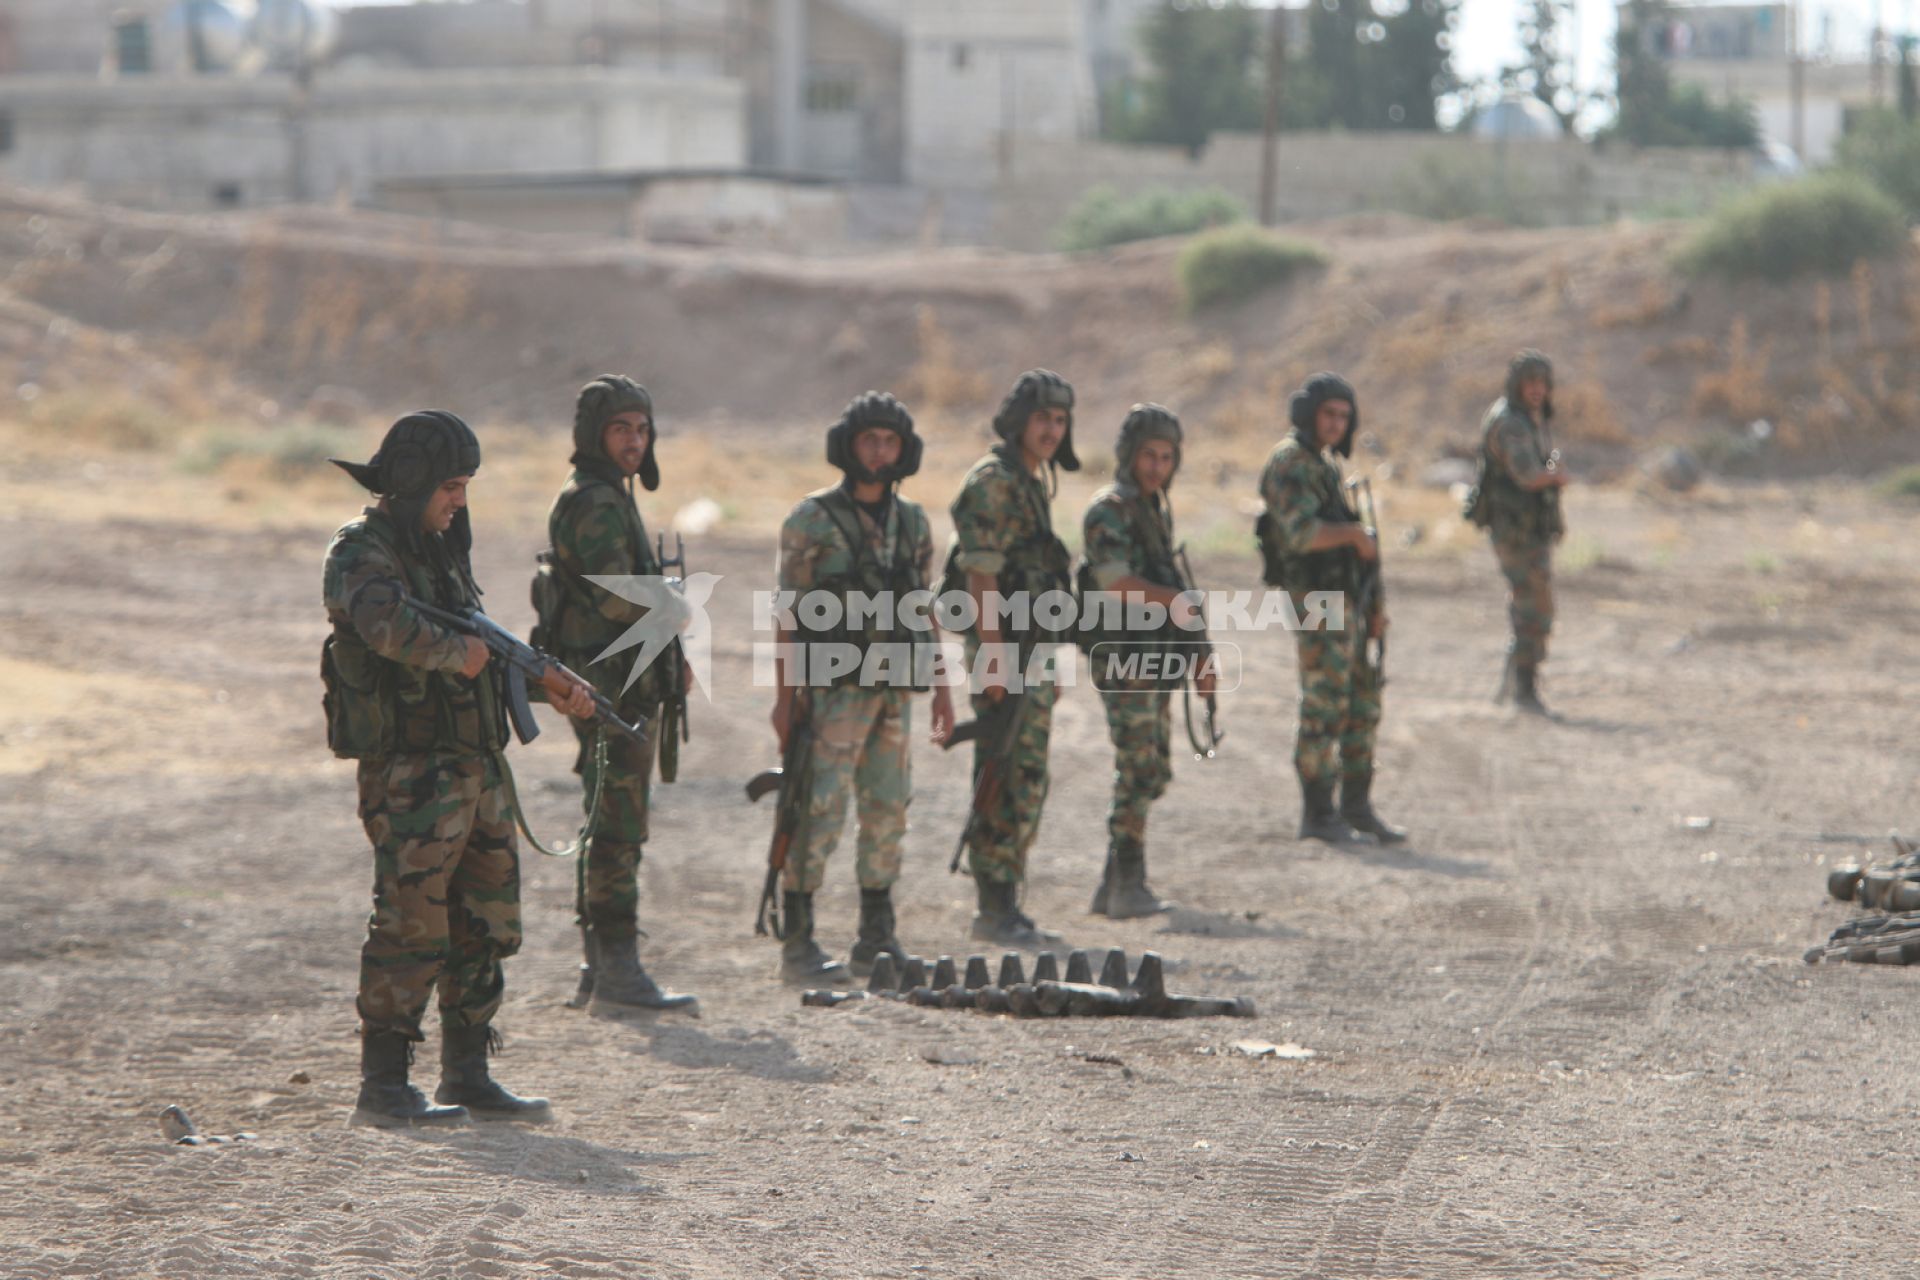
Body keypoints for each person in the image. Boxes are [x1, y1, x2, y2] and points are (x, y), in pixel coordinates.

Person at [323, 410, 596, 1126]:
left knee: (486, 918)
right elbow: (384, 627)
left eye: (465, 486)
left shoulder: (440, 550)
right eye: (450, 486)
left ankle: (466, 1073)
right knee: (411, 922)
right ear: (413, 483)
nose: (459, 501)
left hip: (475, 769)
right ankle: (383, 1086)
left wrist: (550, 684)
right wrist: (456, 653)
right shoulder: (363, 550)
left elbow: (482, 650)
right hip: (412, 774)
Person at [769, 391, 955, 983]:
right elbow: (788, 611)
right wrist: (784, 697)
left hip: (894, 689)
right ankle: (798, 941)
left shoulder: (913, 521)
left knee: (887, 808)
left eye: (890, 442)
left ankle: (876, 937)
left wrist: (945, 688)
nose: (879, 451)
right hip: (833, 690)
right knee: (819, 808)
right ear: (847, 447)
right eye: (869, 440)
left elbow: (925, 605)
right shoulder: (811, 519)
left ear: (905, 451)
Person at [536, 375, 697, 1013]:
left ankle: (598, 968)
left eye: (642, 429)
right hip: (608, 685)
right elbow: (618, 596)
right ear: (594, 436)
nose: (635, 442)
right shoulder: (595, 501)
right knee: (618, 824)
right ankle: (617, 973)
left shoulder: (609, 495)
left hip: (619, 677)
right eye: (621, 430)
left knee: (609, 816)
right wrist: (677, 607)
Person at [945, 369, 1079, 946]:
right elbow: (982, 573)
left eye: (1060, 420)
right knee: (1002, 767)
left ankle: (1007, 897)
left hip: (1033, 649)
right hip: (1003, 648)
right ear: (1019, 420)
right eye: (1043, 418)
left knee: (1028, 773)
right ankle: (993, 904)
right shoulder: (995, 481)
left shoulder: (1030, 481)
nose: (1051, 430)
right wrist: (995, 658)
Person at [1256, 375, 1405, 845]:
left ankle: (1356, 806)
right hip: (1318, 601)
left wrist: (1375, 607)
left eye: (1344, 416)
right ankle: (1319, 812)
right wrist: (1354, 537)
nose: (1337, 424)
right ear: (1308, 415)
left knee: (1362, 700)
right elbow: (1300, 533)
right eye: (1329, 415)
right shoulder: (1290, 462)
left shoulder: (1323, 465)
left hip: (1348, 600)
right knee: (1324, 703)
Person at [1079, 403, 1212, 917]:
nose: (1156, 466)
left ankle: (1113, 884)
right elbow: (1116, 582)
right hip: (1123, 658)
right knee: (1137, 766)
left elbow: (1174, 588)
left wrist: (1199, 656)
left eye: (1166, 457)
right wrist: (1177, 604)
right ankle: (1127, 884)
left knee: (1152, 768)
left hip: (1154, 658)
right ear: (1127, 456)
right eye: (1148, 456)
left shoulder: (1153, 510)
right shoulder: (1109, 509)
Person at [1465, 350, 1570, 715]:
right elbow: (1527, 475)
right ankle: (1521, 691)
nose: (1537, 390)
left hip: (1525, 529)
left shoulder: (1527, 418)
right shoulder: (1511, 422)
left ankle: (1514, 686)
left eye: (1542, 383)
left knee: (1532, 604)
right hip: (1516, 532)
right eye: (1530, 383)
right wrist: (1555, 476)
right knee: (1534, 607)